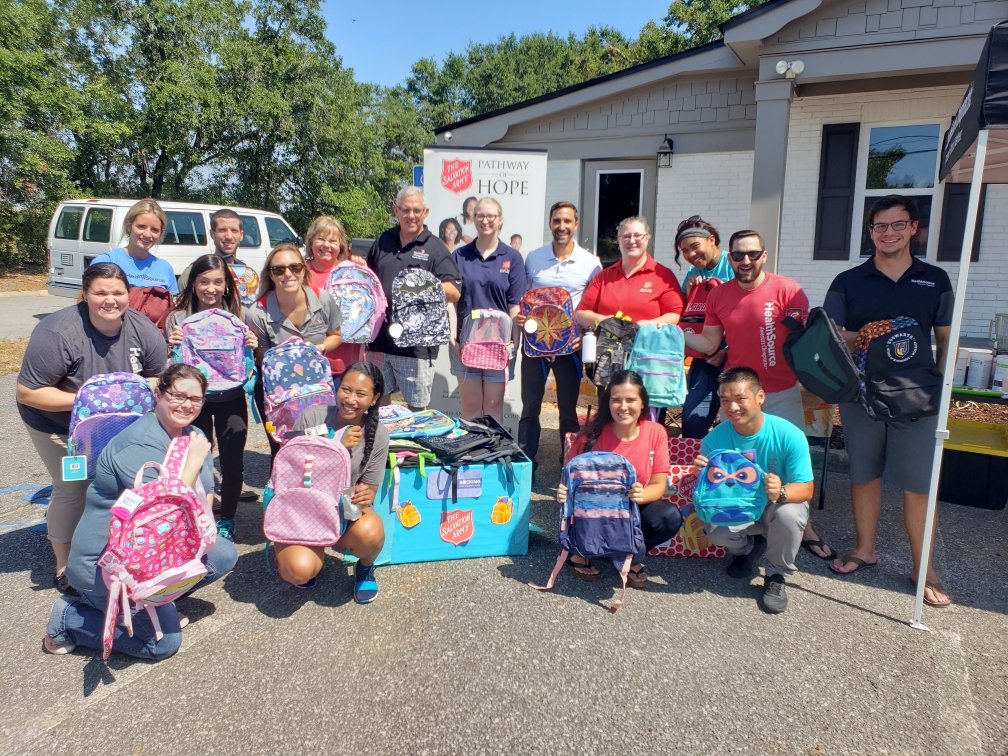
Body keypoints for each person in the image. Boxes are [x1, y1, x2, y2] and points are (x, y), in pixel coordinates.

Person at [42, 364, 239, 658]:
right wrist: (194, 463)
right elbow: (165, 512)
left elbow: (205, 495)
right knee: (162, 644)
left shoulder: (193, 433)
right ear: (158, 394)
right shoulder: (136, 444)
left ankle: (158, 601)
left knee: (222, 553)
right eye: (178, 395)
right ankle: (70, 618)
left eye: (195, 399)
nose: (186, 405)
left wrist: (200, 538)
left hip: (154, 551)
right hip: (108, 563)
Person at [823, 195, 953, 608]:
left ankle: (923, 567)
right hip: (862, 394)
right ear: (871, 232)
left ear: (914, 228)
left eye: (898, 225)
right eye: (881, 226)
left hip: (918, 397)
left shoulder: (935, 279)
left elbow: (946, 338)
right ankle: (865, 549)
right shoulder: (849, 280)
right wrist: (867, 332)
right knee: (864, 475)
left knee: (918, 484)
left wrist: (943, 389)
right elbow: (830, 330)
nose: (889, 232)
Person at [682, 229, 833, 561]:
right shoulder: (719, 295)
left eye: (752, 254)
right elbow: (708, 343)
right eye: (738, 255)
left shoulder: (789, 290)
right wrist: (671, 331)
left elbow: (806, 343)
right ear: (729, 258)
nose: (745, 261)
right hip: (738, 397)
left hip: (781, 391)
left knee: (792, 465)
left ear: (764, 255)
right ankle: (742, 532)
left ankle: (803, 528)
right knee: (737, 466)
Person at [16, 263, 167, 595]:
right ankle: (64, 563)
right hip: (56, 424)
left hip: (122, 423)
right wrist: (91, 402)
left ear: (129, 294)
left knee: (120, 484)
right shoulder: (58, 332)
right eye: (100, 292)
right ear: (85, 295)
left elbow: (159, 377)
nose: (109, 300)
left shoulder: (143, 329)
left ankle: (114, 548)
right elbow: (27, 392)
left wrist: (125, 398)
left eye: (117, 292)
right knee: (73, 488)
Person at [696, 367, 814, 614]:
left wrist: (780, 492)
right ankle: (748, 549)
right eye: (725, 400)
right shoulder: (714, 440)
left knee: (790, 514)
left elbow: (806, 489)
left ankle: (776, 575)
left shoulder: (789, 435)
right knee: (715, 529)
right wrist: (704, 476)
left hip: (774, 505)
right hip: (738, 506)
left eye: (740, 399)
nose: (733, 407)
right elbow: (709, 497)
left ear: (760, 397)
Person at [273, 362, 390, 603]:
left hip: (342, 503)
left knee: (372, 532)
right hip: (303, 504)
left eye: (361, 394)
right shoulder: (312, 417)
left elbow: (370, 487)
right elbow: (289, 469)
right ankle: (313, 556)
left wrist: (365, 494)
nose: (350, 399)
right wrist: (336, 443)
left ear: (375, 398)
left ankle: (365, 567)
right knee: (298, 570)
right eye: (346, 389)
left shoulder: (379, 434)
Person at [557, 370, 682, 588]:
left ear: (643, 402)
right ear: (608, 403)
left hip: (631, 508)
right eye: (616, 400)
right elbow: (568, 479)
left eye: (631, 399)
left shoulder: (656, 432)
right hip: (593, 512)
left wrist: (642, 495)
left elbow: (659, 485)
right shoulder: (591, 433)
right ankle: (580, 551)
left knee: (669, 516)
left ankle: (625, 553)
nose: (623, 407)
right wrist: (562, 491)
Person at [166, 254, 259, 541]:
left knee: (232, 462)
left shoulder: (239, 316)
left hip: (231, 397)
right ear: (193, 283)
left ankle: (227, 519)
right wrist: (170, 345)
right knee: (195, 461)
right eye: (204, 281)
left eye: (218, 282)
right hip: (194, 403)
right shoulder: (178, 319)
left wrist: (252, 346)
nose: (211, 288)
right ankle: (195, 515)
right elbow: (169, 366)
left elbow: (248, 362)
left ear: (227, 286)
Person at [517, 201, 601, 467]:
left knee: (568, 411)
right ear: (550, 223)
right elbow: (525, 298)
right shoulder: (534, 258)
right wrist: (521, 316)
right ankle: (527, 462)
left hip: (570, 348)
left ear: (575, 224)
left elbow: (595, 305)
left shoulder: (591, 263)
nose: (561, 226)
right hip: (535, 346)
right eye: (556, 221)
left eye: (567, 221)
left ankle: (570, 463)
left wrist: (586, 334)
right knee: (530, 407)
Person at [366, 186, 461, 411]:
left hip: (416, 348)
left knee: (417, 410)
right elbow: (369, 280)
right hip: (379, 341)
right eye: (406, 210)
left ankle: (413, 448)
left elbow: (455, 291)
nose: (411, 216)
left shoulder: (435, 247)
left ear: (425, 213)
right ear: (396, 211)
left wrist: (420, 284)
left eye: (417, 210)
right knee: (378, 404)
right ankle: (383, 446)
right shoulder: (382, 241)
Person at [245, 243, 343, 456]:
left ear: (303, 270)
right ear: (270, 275)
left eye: (295, 268)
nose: (287, 274)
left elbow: (336, 336)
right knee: (283, 448)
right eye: (279, 269)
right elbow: (260, 358)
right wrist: (294, 356)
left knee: (322, 441)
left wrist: (319, 348)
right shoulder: (257, 313)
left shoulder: (323, 299)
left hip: (318, 390)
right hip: (278, 395)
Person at [450, 197, 527, 420]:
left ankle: (492, 455)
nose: (485, 220)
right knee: (471, 408)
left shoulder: (512, 258)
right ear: (473, 219)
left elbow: (514, 305)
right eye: (480, 215)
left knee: (493, 409)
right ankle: (470, 455)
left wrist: (514, 343)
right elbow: (452, 301)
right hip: (465, 343)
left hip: (499, 344)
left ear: (500, 219)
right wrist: (452, 338)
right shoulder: (459, 255)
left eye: (490, 215)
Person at [674, 215, 733, 439]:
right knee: (693, 423)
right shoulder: (693, 274)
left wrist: (726, 351)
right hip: (704, 356)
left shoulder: (733, 265)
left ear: (712, 240)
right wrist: (689, 293)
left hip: (734, 353)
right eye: (684, 250)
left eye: (694, 247)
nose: (690, 255)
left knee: (735, 420)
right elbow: (686, 315)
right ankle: (697, 469)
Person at [575, 215, 684, 330]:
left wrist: (643, 326)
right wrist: (607, 322)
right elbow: (581, 313)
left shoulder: (663, 276)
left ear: (647, 238)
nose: (632, 241)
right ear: (618, 240)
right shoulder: (604, 277)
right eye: (626, 236)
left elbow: (676, 314)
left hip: (647, 345)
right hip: (608, 346)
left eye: (638, 235)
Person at [303, 215, 366, 378]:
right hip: (308, 362)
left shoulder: (352, 271)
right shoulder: (298, 271)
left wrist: (364, 272)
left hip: (344, 363)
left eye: (332, 241)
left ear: (341, 246)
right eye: (321, 239)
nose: (326, 245)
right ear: (311, 242)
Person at [91, 198, 178, 295]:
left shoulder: (165, 268)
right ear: (129, 226)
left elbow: (172, 306)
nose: (148, 234)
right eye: (141, 226)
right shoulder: (106, 262)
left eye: (155, 230)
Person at [177, 208, 247, 292]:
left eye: (234, 231)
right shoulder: (194, 271)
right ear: (212, 234)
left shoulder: (246, 274)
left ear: (241, 235)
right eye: (222, 230)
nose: (229, 236)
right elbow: (183, 303)